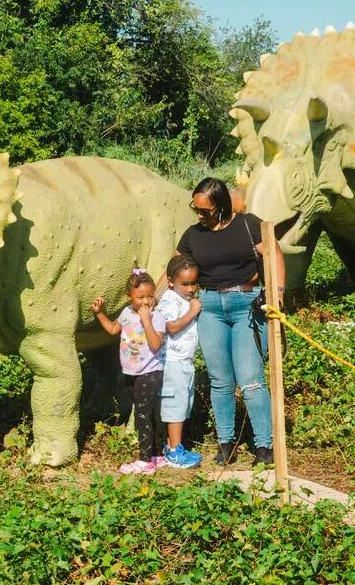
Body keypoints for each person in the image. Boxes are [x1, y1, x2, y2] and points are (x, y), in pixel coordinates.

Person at [177, 177, 285, 466]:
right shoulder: (193, 234)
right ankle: (226, 443)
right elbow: (176, 267)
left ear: (221, 206)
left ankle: (264, 446)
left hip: (246, 305)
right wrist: (148, 298)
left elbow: (274, 251)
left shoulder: (248, 224)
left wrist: (278, 293)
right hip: (210, 307)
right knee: (220, 380)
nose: (199, 215)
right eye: (196, 209)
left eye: (205, 211)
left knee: (250, 379)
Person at [92, 269, 167, 475]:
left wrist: (146, 321)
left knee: (143, 414)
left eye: (150, 297)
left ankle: (145, 461)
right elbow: (113, 330)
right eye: (140, 297)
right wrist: (100, 314)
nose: (146, 302)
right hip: (131, 372)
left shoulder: (157, 317)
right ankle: (157, 455)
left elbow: (155, 344)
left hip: (150, 371)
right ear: (129, 297)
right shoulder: (126, 313)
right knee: (147, 411)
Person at [155, 254, 203, 468]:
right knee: (175, 406)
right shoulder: (169, 299)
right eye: (185, 284)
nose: (190, 288)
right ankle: (174, 451)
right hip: (172, 362)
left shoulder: (184, 299)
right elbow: (170, 327)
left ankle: (172, 446)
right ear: (171, 281)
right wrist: (192, 313)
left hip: (184, 362)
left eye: (194, 283)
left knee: (183, 404)